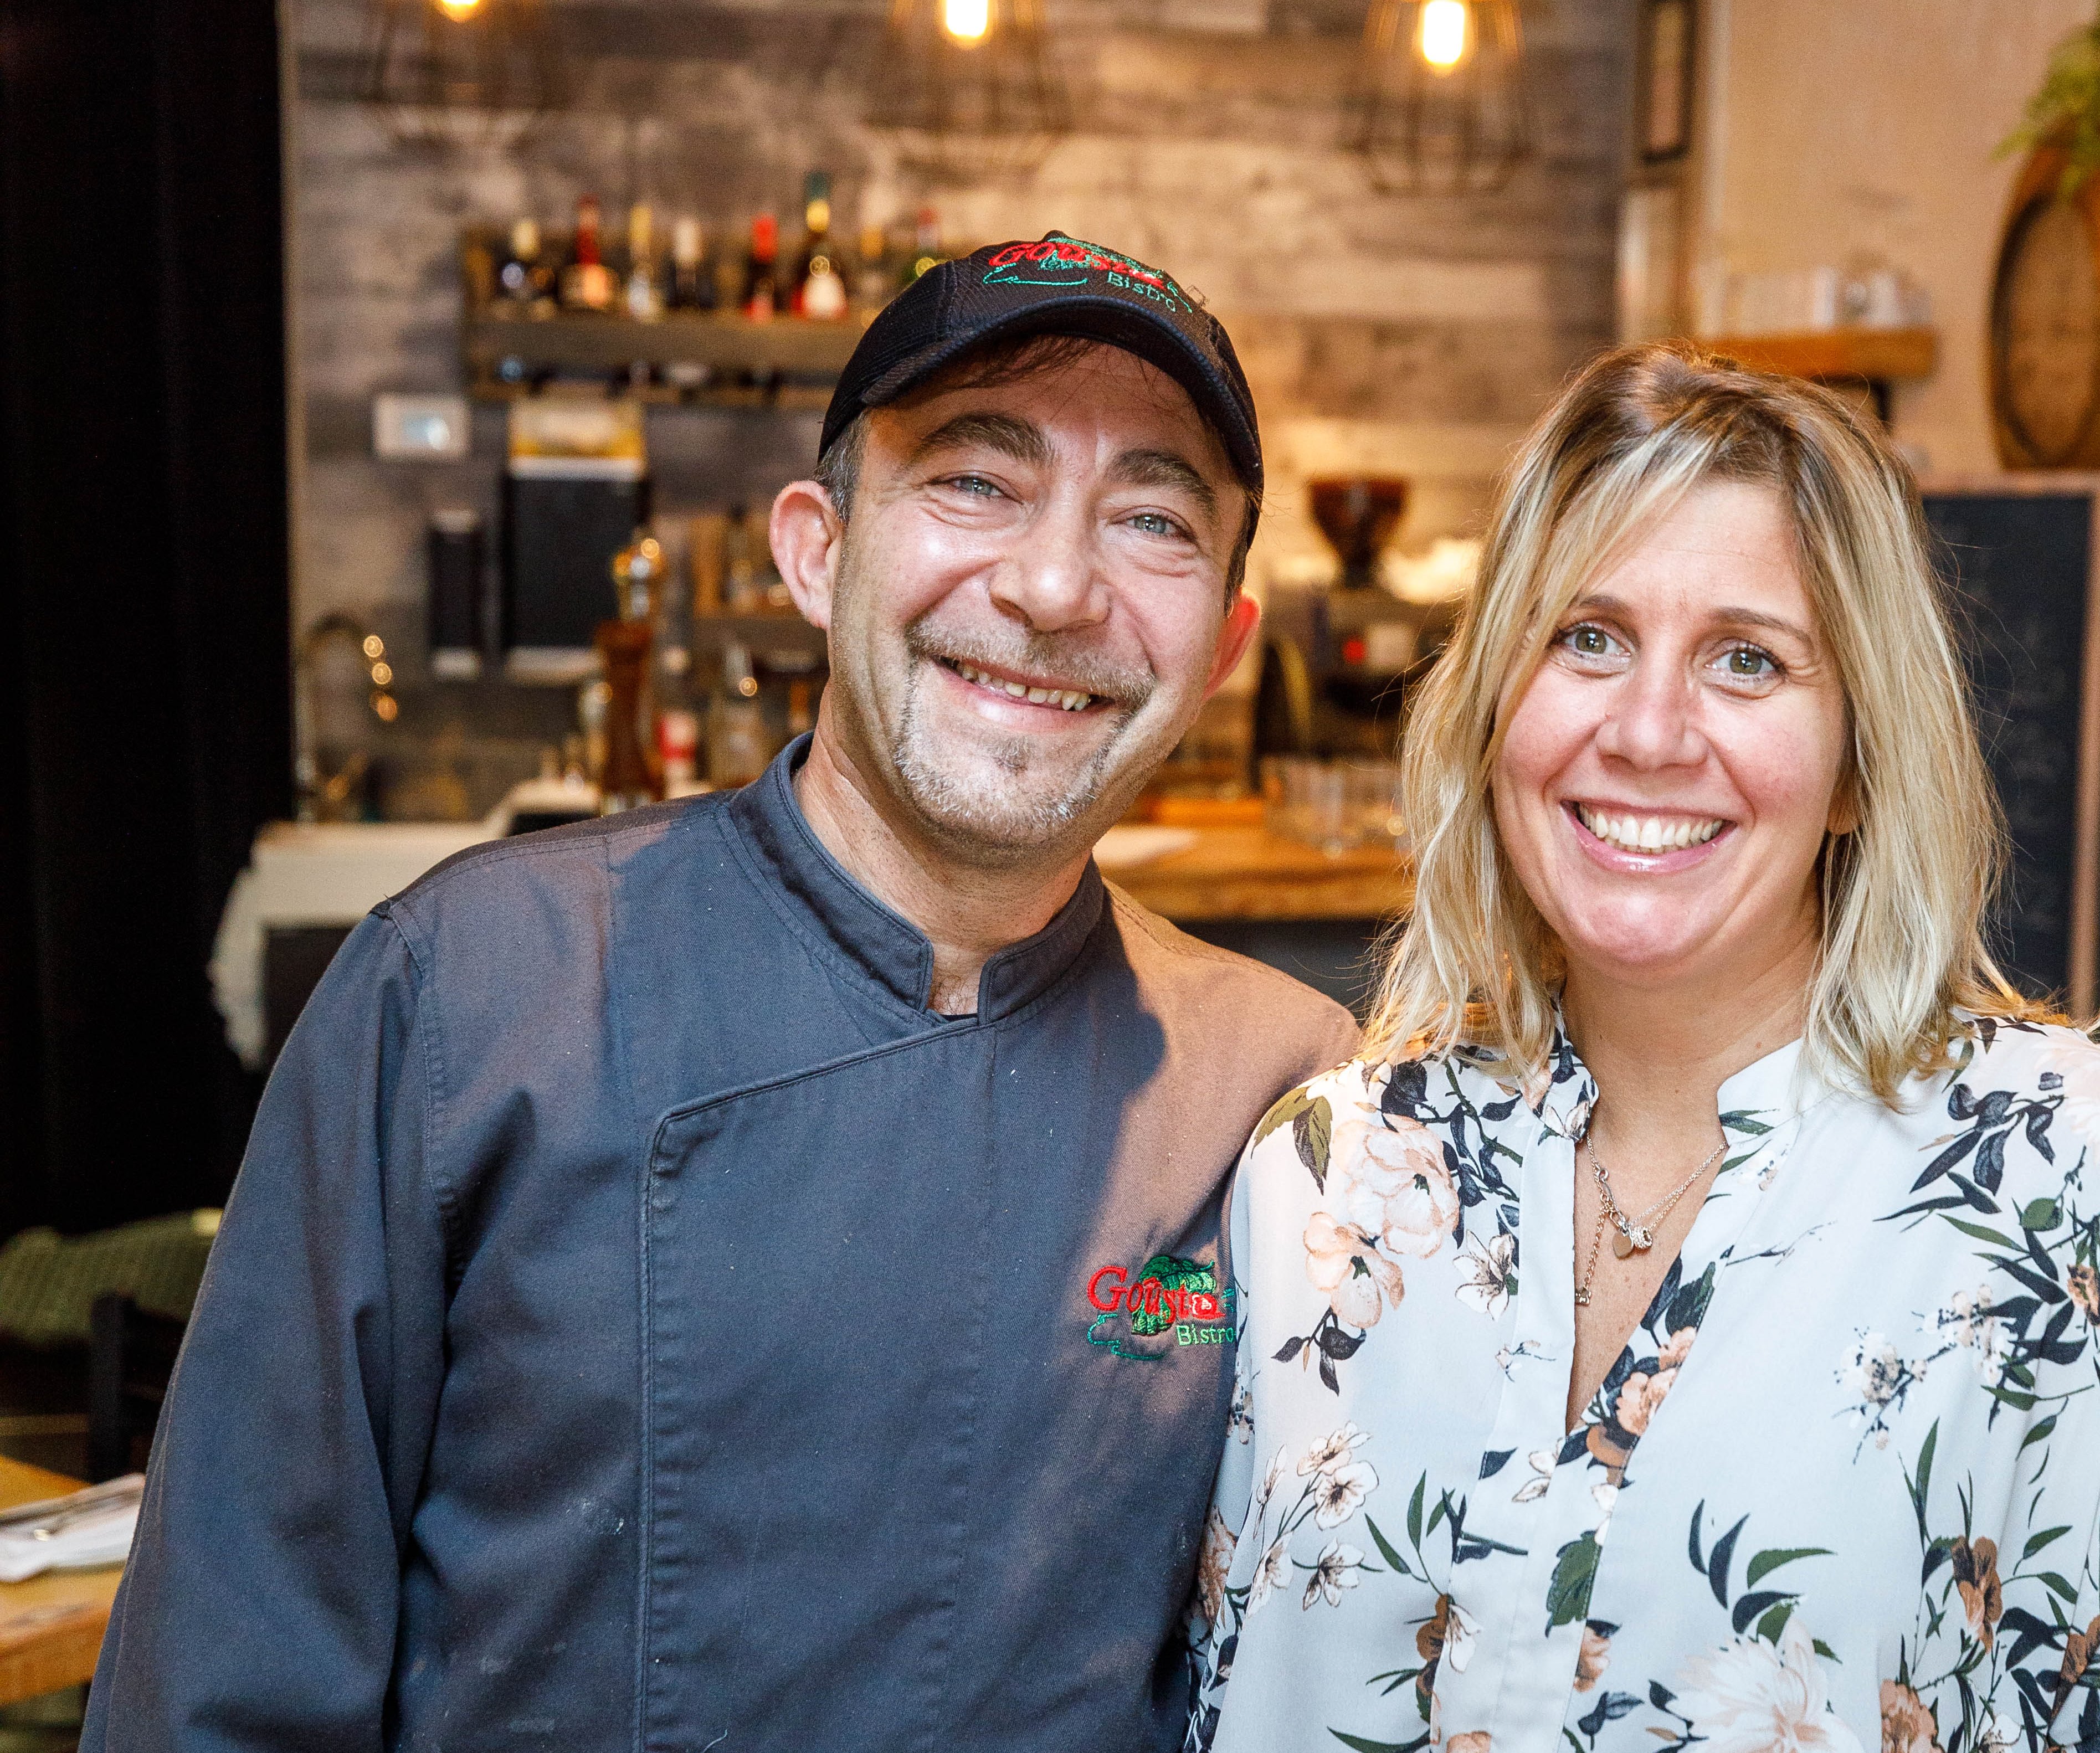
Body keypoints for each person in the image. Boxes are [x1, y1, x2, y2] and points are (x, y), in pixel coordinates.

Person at [85, 233, 1358, 1752]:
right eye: (973, 480)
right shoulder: (470, 993)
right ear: (816, 550)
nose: (1054, 582)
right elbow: (227, 1674)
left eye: (1151, 517)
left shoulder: (1283, 1094)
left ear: (1219, 644)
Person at [1188, 347, 2100, 1753]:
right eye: (1584, 636)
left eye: (1745, 658)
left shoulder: (2072, 1182)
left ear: (1853, 767)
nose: (1646, 730)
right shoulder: (1322, 1173)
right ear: (1491, 711)